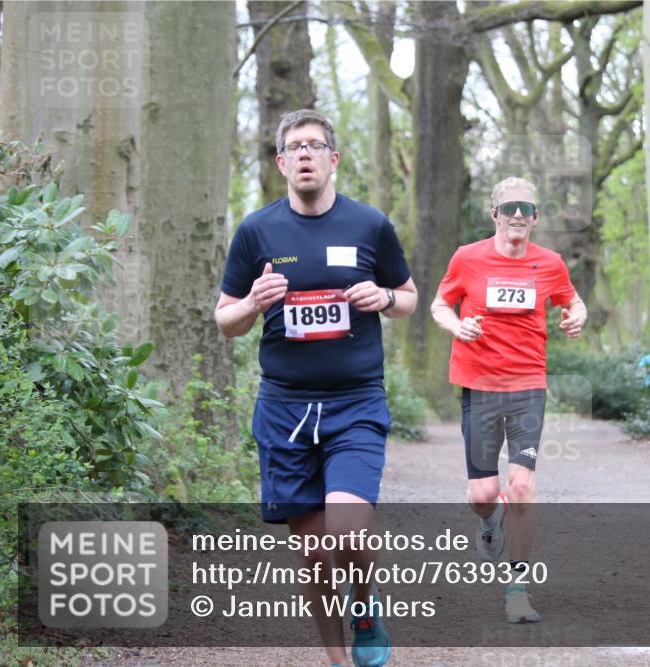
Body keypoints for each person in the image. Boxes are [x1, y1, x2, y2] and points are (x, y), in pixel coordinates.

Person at [214, 109, 416, 667]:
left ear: (333, 159)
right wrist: (253, 303)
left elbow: (409, 296)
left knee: (348, 530)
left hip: (355, 402)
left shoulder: (369, 225)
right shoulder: (257, 231)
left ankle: (367, 605)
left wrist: (384, 299)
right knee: (316, 553)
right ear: (282, 163)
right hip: (285, 409)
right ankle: (335, 658)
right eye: (294, 147)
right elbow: (225, 319)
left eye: (314, 145)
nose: (305, 154)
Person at [430, 176, 587, 624]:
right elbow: (441, 305)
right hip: (479, 386)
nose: (518, 214)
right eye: (509, 207)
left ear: (535, 217)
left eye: (526, 208)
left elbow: (575, 303)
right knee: (483, 494)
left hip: (527, 387)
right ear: (494, 213)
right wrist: (455, 326)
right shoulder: (467, 258)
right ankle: (486, 521)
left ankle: (516, 589)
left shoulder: (550, 263)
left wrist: (575, 317)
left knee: (521, 485)